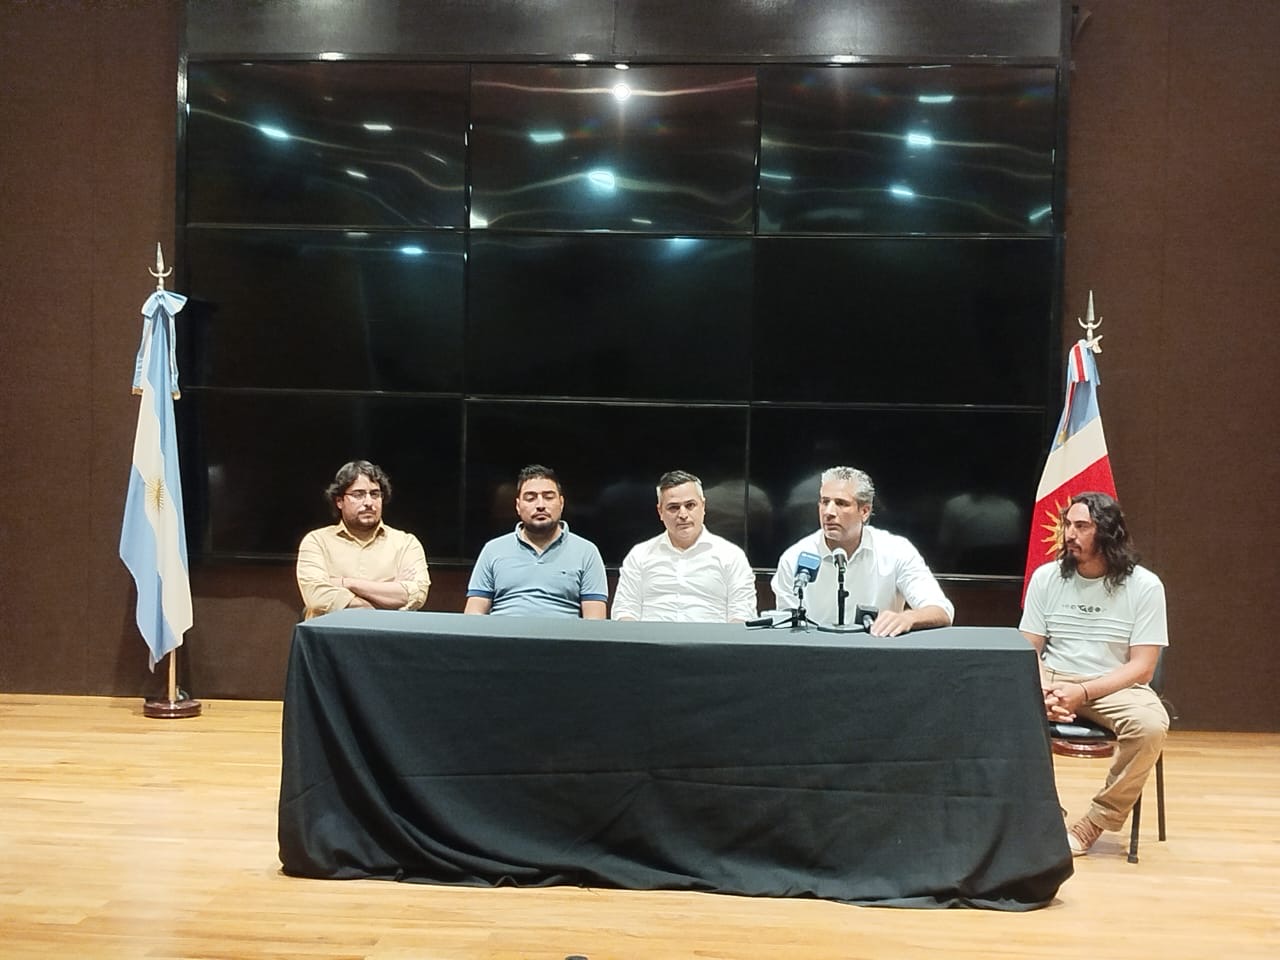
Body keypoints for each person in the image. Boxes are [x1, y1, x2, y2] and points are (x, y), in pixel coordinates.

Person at [1020, 491, 1169, 857]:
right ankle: (1045, 814)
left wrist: (1083, 692)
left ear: (1108, 532)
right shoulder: (1046, 577)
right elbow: (1027, 647)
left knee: (1151, 726)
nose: (1069, 534)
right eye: (1067, 525)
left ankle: (1094, 822)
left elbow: (1142, 666)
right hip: (1052, 677)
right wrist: (1043, 690)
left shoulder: (1145, 586)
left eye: (1081, 526)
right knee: (991, 710)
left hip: (1113, 683)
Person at [771, 466, 953, 635]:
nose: (829, 512)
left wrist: (908, 618)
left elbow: (942, 610)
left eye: (841, 503)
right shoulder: (794, 558)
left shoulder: (896, 551)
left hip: (879, 658)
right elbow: (786, 629)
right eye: (824, 502)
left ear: (864, 511)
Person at [612, 470, 757, 623]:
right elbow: (625, 610)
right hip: (652, 643)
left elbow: (742, 614)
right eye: (673, 507)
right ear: (660, 511)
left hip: (712, 644)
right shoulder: (640, 555)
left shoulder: (731, 556)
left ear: (703, 506)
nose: (683, 514)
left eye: (690, 505)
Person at [464, 464, 608, 618]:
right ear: (518, 506)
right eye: (531, 498)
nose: (540, 505)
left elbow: (595, 621)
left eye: (548, 497)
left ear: (561, 503)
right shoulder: (492, 550)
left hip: (562, 639)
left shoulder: (586, 552)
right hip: (503, 638)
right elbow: (474, 614)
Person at [296, 460, 430, 620]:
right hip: (329, 638)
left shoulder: (406, 543)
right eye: (358, 494)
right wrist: (384, 600)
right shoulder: (317, 541)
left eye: (375, 494)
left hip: (387, 637)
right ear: (339, 501)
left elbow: (417, 595)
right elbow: (316, 596)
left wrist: (346, 583)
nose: (368, 502)